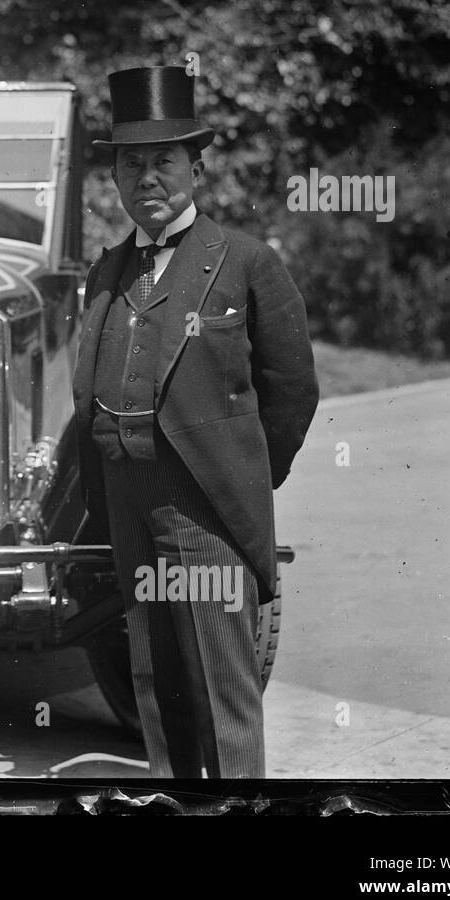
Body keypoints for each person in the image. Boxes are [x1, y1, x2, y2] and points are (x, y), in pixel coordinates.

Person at [75, 65, 319, 777]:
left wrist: (237, 475)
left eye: (163, 160)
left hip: (206, 505)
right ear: (115, 175)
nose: (146, 176)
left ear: (196, 167)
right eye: (131, 161)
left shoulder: (245, 262)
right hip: (128, 502)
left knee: (224, 690)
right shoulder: (108, 269)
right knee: (155, 682)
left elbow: (292, 389)